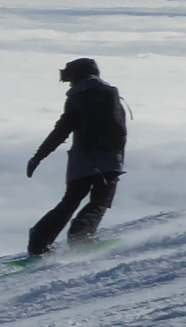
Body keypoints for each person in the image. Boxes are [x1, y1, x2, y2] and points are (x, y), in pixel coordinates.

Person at [25, 57, 127, 257]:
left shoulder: (76, 99)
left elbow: (61, 130)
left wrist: (38, 157)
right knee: (100, 200)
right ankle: (80, 237)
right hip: (108, 159)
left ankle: (39, 241)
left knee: (70, 201)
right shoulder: (110, 95)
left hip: (80, 162)